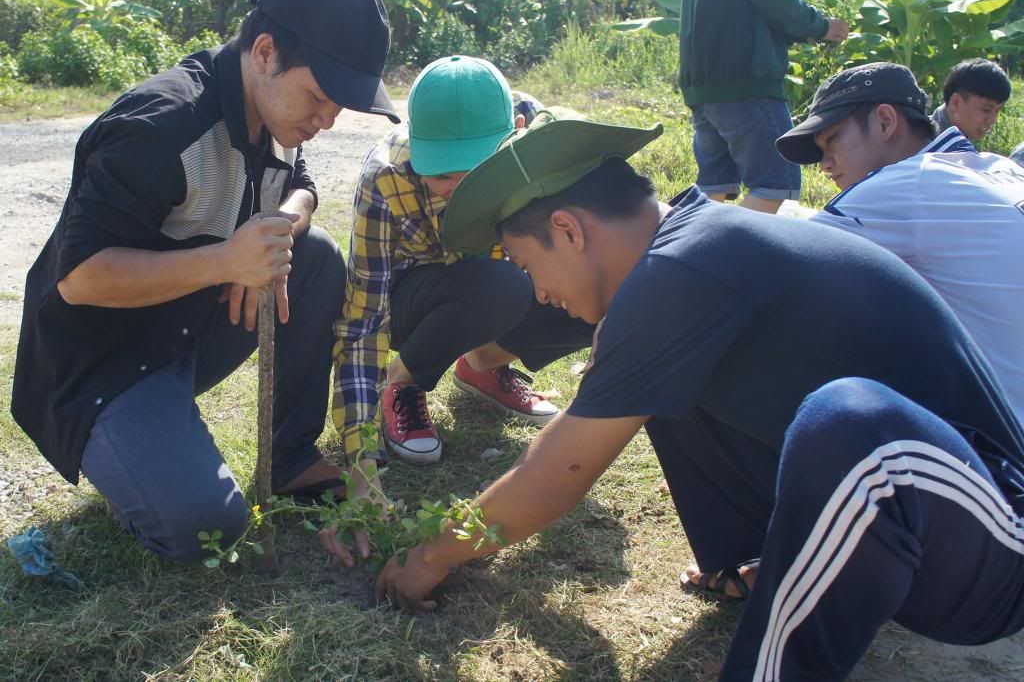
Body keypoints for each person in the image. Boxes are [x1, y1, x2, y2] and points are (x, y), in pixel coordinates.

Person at [350, 111, 1024, 680]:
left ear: (570, 230)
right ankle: (758, 563)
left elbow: (554, 475)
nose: (539, 293)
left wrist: (432, 553)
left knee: (850, 422)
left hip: (990, 546)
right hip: (912, 534)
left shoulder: (687, 265)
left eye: (528, 268)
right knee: (638, 372)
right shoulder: (684, 254)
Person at [10, 0, 400, 565]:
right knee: (206, 528)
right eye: (320, 97)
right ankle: (137, 460)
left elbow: (301, 185)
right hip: (97, 366)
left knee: (314, 254)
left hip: (182, 327)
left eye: (339, 106)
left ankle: (290, 457)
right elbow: (80, 277)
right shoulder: (162, 127)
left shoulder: (274, 112)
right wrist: (224, 261)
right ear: (265, 52)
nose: (326, 121)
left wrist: (273, 233)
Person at [332, 56, 594, 467]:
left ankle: (483, 367)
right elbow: (365, 318)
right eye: (442, 177)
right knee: (501, 286)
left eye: (475, 173)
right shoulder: (385, 177)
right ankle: (403, 383)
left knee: (593, 294)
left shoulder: (535, 140)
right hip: (416, 302)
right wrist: (359, 451)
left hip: (499, 283)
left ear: (516, 136)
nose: (459, 190)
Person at [775, 62, 1024, 427]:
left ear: (886, 122)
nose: (825, 165)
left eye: (832, 141)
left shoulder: (907, 182)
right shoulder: (999, 168)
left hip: (1011, 454)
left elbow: (777, 258)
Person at [678, 0, 849, 214]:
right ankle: (717, 252)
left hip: (705, 83)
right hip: (745, 79)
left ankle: (683, 248)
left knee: (714, 186)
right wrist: (821, 26)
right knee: (776, 183)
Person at [930, 57, 1011, 144]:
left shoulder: (957, 140)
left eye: (997, 110)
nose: (992, 120)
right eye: (986, 109)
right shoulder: (923, 146)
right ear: (955, 103)